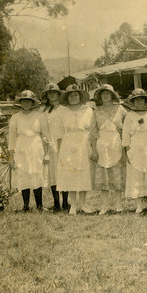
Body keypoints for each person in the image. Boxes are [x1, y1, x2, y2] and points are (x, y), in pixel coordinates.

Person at [55, 84, 95, 215]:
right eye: (70, 95)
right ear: (67, 97)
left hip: (83, 141)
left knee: (83, 172)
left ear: (80, 96)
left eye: (75, 95)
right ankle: (73, 205)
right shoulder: (63, 111)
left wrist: (91, 147)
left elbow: (93, 129)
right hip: (68, 142)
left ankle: (83, 204)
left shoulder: (88, 110)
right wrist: (60, 150)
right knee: (70, 172)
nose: (73, 97)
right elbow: (60, 131)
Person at [6, 90, 46, 212]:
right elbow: (12, 137)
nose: (26, 104)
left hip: (35, 146)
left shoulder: (39, 116)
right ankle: (26, 205)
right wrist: (11, 156)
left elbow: (45, 134)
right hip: (21, 147)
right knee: (23, 173)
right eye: (24, 101)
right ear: (21, 103)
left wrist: (46, 144)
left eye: (29, 101)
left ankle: (39, 205)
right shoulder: (15, 117)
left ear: (33, 103)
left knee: (36, 173)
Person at [90, 83, 126, 215]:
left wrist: (124, 139)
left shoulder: (121, 109)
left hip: (116, 143)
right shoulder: (96, 111)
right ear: (100, 96)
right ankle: (104, 205)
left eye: (108, 93)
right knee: (103, 176)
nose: (105, 95)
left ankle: (118, 204)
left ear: (112, 95)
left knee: (117, 175)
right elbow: (93, 132)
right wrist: (94, 150)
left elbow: (128, 125)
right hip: (102, 143)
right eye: (102, 93)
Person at [122, 88, 147, 215]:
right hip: (135, 145)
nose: (139, 102)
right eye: (136, 100)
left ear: (145, 100)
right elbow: (125, 133)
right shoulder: (130, 115)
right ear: (132, 101)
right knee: (136, 174)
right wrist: (127, 150)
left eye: (141, 99)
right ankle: (138, 205)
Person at [41, 83, 65, 211]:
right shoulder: (44, 111)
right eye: (50, 93)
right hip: (50, 145)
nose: (52, 95)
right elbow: (43, 129)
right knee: (52, 174)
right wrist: (45, 139)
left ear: (58, 94)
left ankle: (66, 203)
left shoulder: (64, 110)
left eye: (54, 93)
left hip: (63, 144)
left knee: (64, 173)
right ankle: (56, 203)